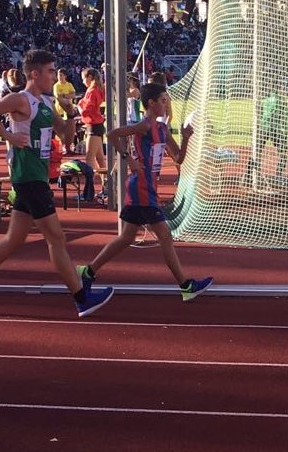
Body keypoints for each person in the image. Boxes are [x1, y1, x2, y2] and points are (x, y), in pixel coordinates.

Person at [0, 50, 114, 318]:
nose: (54, 76)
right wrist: (9, 137)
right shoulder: (20, 99)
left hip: (37, 175)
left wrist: (71, 114)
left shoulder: (46, 102)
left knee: (14, 238)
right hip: (27, 175)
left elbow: (65, 135)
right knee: (56, 238)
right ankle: (81, 298)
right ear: (35, 74)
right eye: (50, 71)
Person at [76, 82, 212, 300]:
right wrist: (128, 158)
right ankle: (185, 286)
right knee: (165, 235)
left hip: (148, 187)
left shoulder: (162, 129)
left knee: (126, 237)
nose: (167, 105)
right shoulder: (144, 126)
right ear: (151, 103)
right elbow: (112, 134)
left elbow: (179, 158)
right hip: (140, 187)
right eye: (163, 101)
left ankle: (88, 271)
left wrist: (186, 138)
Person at [78, 67, 105, 170]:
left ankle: (92, 179)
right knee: (100, 158)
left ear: (89, 77)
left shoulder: (92, 91)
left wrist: (79, 106)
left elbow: (85, 111)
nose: (83, 82)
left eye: (84, 79)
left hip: (93, 125)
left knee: (89, 158)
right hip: (97, 125)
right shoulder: (97, 89)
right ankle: (105, 179)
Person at [52, 68, 77, 153]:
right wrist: (67, 96)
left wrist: (64, 96)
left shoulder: (69, 84)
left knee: (69, 129)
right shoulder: (56, 85)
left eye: (61, 75)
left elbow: (73, 94)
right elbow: (58, 97)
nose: (59, 77)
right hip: (60, 110)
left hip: (69, 110)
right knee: (60, 130)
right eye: (58, 75)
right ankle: (64, 145)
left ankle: (68, 146)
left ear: (65, 76)